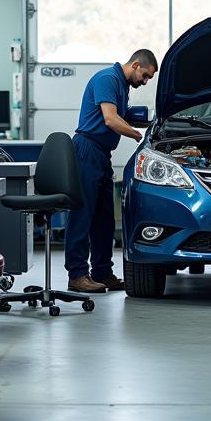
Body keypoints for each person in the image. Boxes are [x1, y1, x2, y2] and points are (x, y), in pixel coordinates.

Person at [64, 49, 158, 293]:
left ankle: (103, 272)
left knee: (105, 218)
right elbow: (110, 119)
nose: (145, 82)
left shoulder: (122, 86)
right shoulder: (108, 78)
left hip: (102, 155)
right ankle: (77, 274)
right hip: (87, 150)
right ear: (136, 64)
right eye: (145, 76)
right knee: (82, 213)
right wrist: (141, 136)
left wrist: (155, 124)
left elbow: (124, 116)